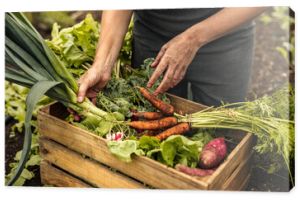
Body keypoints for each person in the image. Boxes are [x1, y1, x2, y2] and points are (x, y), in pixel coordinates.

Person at [77, 8, 267, 106]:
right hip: (153, 39)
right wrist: (102, 63)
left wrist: (193, 39)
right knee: (151, 116)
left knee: (224, 134)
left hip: (224, 39)